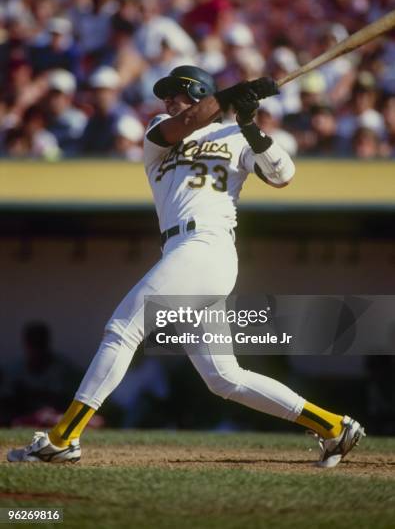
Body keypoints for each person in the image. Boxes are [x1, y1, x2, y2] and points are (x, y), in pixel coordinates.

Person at [7, 66, 365, 467]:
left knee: (122, 329)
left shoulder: (235, 137)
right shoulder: (160, 129)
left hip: (207, 245)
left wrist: (248, 124)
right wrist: (235, 94)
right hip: (182, 251)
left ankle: (64, 436)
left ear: (198, 91)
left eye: (176, 93)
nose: (168, 101)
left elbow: (283, 176)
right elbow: (188, 121)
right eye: (166, 95)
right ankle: (334, 426)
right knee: (224, 378)